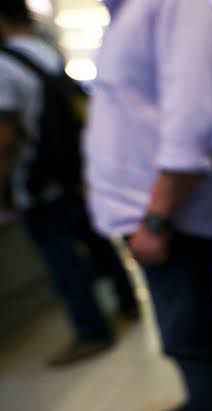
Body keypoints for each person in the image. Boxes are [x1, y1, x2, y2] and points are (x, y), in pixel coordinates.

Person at [84, 0, 212, 411]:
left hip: (169, 221)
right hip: (161, 217)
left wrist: (155, 220)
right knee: (200, 322)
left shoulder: (177, 5)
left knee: (188, 338)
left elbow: (194, 122)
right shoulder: (131, 13)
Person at [0, 0, 136, 367]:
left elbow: (5, 137)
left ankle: (92, 332)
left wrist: (4, 186)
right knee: (98, 243)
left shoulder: (5, 64)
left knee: (64, 262)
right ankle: (128, 303)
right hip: (74, 171)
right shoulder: (46, 51)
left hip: (39, 181)